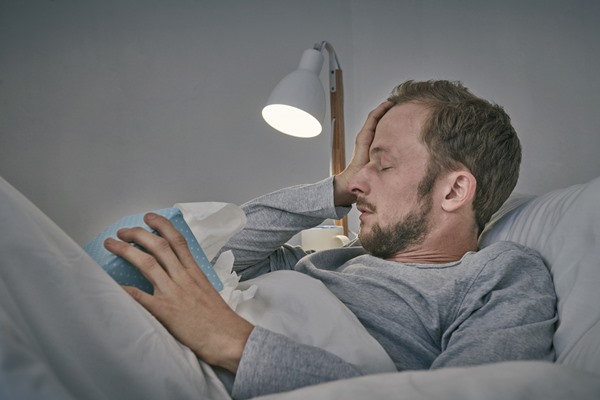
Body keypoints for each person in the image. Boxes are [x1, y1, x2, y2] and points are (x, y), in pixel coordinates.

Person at [105, 80, 557, 399]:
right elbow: (222, 251)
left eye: (382, 163)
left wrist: (234, 344)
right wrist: (337, 185)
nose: (360, 181)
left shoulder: (499, 275)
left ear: (454, 190)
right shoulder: (336, 261)